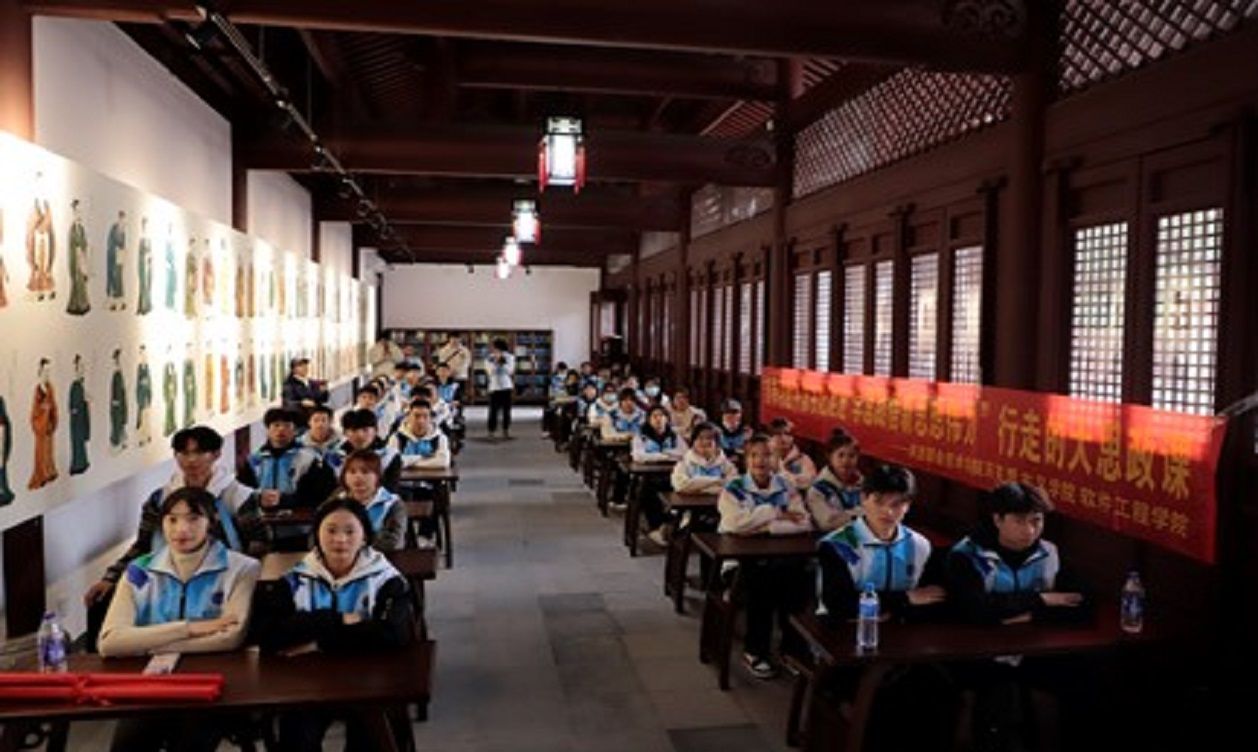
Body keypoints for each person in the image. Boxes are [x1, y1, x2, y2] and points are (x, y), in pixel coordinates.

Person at [98, 487, 259, 751]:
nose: (181, 529)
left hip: (214, 681)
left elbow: (230, 638)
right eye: (172, 519)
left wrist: (143, 642)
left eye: (193, 518)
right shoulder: (139, 571)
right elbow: (109, 642)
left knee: (190, 744)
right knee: (127, 745)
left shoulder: (241, 568)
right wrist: (190, 628)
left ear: (211, 522)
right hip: (151, 683)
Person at [255, 497, 414, 751]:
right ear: (317, 534)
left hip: (369, 680)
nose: (340, 540)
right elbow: (268, 634)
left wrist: (318, 643)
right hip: (307, 682)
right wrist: (337, 620)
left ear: (364, 536)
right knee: (297, 736)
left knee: (370, 735)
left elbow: (392, 635)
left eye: (350, 532)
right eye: (330, 531)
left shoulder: (387, 580)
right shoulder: (295, 580)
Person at [947, 483, 1094, 750]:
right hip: (977, 653)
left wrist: (1017, 613)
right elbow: (975, 611)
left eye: (1036, 521)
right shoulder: (967, 555)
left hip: (1032, 650)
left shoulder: (1049, 552)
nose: (1029, 530)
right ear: (997, 519)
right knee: (993, 696)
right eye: (1019, 521)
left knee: (1083, 679)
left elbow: (1082, 607)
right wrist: (1041, 600)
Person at [83, 426, 255, 647]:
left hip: (222, 579)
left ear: (216, 454)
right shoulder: (160, 498)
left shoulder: (238, 496)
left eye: (199, 452)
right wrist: (111, 577)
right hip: (164, 576)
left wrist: (241, 577)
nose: (191, 460)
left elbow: (258, 543)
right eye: (183, 453)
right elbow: (143, 543)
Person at [717, 434, 813, 679]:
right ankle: (755, 650)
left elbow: (803, 522)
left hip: (781, 559)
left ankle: (791, 649)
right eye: (754, 455)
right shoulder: (733, 488)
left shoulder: (786, 486)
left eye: (768, 455)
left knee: (799, 581)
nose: (761, 460)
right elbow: (734, 523)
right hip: (739, 563)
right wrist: (776, 513)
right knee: (760, 583)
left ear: (777, 458)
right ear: (746, 459)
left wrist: (762, 526)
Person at [816, 464, 944, 619]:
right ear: (863, 498)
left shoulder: (920, 546)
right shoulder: (837, 545)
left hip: (903, 628)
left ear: (908, 506)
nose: (888, 511)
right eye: (878, 501)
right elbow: (839, 604)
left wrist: (896, 606)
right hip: (847, 628)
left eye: (897, 504)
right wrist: (905, 598)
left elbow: (932, 597)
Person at [237, 408, 336, 550]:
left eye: (287, 425)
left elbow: (322, 494)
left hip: (301, 533)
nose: (281, 430)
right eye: (276, 425)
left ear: (295, 430)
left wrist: (285, 500)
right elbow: (241, 493)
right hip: (260, 533)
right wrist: (259, 499)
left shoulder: (310, 458)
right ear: (268, 430)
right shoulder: (254, 460)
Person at [631, 406, 687, 546]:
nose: (658, 419)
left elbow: (684, 453)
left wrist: (658, 455)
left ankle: (671, 523)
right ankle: (655, 527)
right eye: (655, 416)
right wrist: (665, 455)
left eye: (662, 416)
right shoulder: (641, 435)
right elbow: (639, 456)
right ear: (649, 419)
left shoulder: (674, 435)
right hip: (648, 476)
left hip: (672, 475)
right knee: (648, 490)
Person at [337, 450, 406, 552]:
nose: (358, 476)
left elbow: (393, 542)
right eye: (352, 472)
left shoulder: (392, 503)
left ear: (377, 476)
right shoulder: (338, 500)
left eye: (365, 472)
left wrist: (354, 544)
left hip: (381, 557)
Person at [329, 408, 403, 493]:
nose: (360, 435)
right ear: (345, 433)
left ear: (375, 431)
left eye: (365, 430)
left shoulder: (390, 455)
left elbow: (390, 488)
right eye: (353, 430)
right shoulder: (335, 456)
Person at [805, 428, 865, 531]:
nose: (846, 461)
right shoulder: (818, 490)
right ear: (830, 457)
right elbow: (826, 523)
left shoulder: (863, 485)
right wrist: (858, 514)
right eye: (840, 455)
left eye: (852, 456)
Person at [670, 422, 739, 495]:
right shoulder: (684, 463)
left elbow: (734, 485)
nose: (705, 441)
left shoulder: (726, 464)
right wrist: (718, 481)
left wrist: (697, 488)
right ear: (693, 442)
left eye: (709, 438)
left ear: (717, 444)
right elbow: (680, 485)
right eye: (700, 438)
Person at [392, 399, 451, 470]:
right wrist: (424, 458)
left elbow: (443, 462)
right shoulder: (397, 438)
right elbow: (392, 462)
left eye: (425, 416)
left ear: (430, 418)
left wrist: (408, 462)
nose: (421, 421)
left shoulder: (440, 438)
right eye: (417, 416)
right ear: (408, 417)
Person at [768, 417, 817, 490]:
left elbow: (809, 482)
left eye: (787, 434)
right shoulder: (764, 457)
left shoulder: (803, 459)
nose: (783, 438)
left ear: (793, 437)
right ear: (770, 438)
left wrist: (781, 472)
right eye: (778, 434)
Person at [281, 357, 328, 429]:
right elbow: (288, 403)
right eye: (300, 365)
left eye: (305, 365)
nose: (304, 367)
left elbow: (322, 399)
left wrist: (323, 391)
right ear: (294, 369)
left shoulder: (311, 382)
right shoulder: (289, 384)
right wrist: (301, 403)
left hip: (313, 421)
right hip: (299, 423)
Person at [485, 337, 516, 439]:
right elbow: (490, 372)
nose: (494, 350)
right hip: (494, 387)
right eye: (494, 349)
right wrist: (495, 362)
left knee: (506, 410)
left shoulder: (510, 357)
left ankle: (506, 430)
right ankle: (491, 430)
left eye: (496, 348)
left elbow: (510, 371)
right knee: (493, 410)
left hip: (506, 386)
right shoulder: (489, 358)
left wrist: (502, 363)